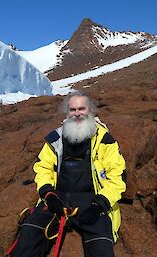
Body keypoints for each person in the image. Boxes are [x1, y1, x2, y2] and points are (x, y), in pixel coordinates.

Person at [10, 90, 126, 257]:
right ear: (67, 112)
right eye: (73, 110)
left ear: (90, 111)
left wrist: (100, 203)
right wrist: (48, 194)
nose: (77, 114)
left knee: (101, 250)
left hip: (93, 203)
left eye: (82, 109)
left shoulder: (105, 141)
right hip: (58, 200)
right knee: (28, 237)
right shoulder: (55, 139)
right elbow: (43, 167)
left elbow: (117, 177)